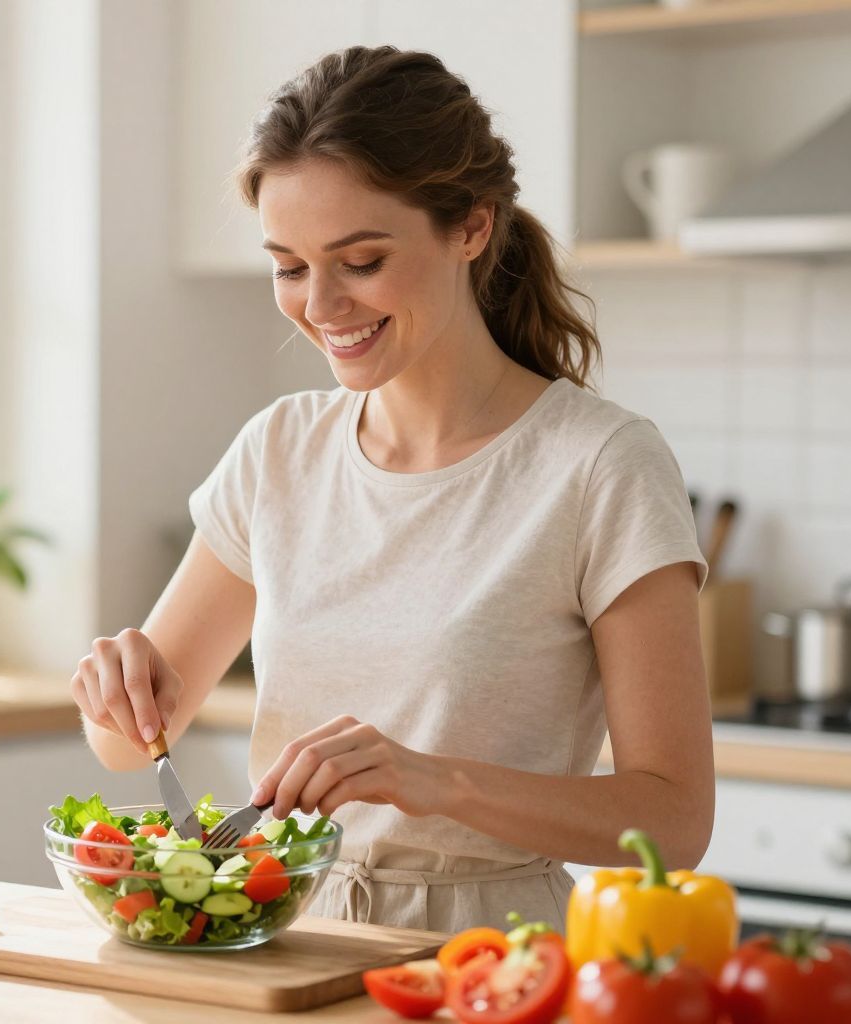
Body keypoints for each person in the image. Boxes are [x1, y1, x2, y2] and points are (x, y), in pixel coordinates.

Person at [69, 45, 712, 934]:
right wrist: (118, 688)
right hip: (290, 935)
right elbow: (120, 743)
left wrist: (434, 780)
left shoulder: (600, 464)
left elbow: (676, 821)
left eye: (361, 261)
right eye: (290, 267)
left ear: (472, 228)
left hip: (491, 956)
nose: (321, 305)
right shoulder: (279, 451)